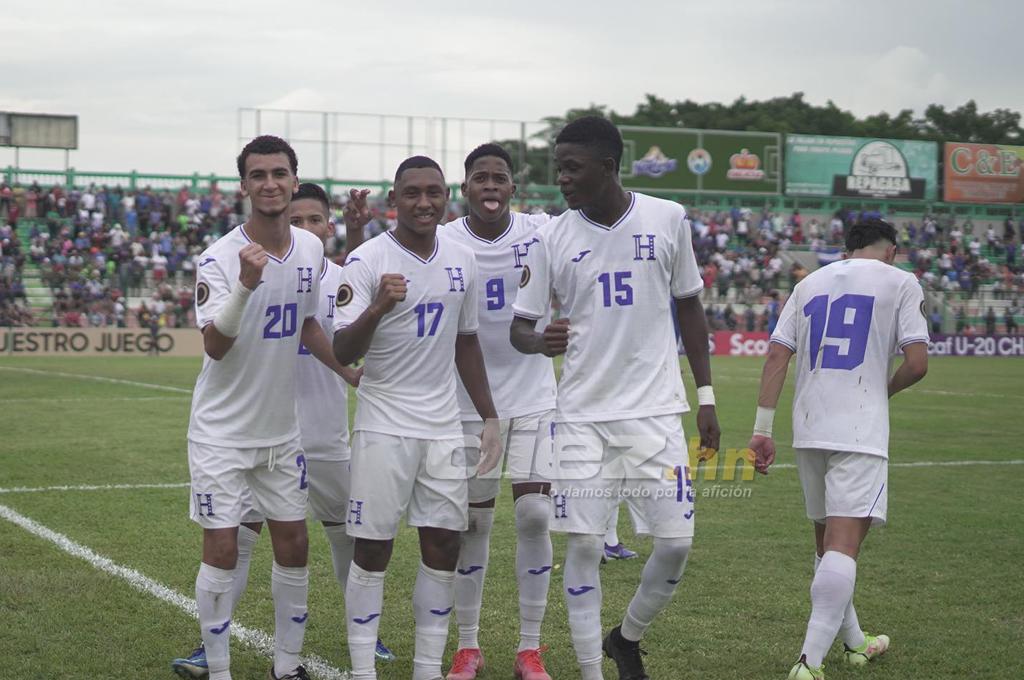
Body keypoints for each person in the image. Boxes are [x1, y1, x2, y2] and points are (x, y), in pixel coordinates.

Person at [511, 116, 721, 680]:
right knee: (582, 546)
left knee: (675, 545)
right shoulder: (550, 236)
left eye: (572, 167)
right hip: (579, 418)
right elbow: (520, 329)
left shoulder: (668, 219)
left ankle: (625, 637)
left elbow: (690, 307)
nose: (563, 179)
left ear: (608, 166)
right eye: (559, 167)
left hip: (655, 414)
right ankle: (590, 672)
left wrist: (706, 395)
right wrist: (539, 340)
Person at [172, 183, 397, 679]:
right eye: (260, 174)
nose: (305, 228)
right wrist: (247, 285)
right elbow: (215, 345)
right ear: (246, 185)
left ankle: (307, 656)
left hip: (300, 434)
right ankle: (214, 656)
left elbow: (314, 320)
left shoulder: (315, 258)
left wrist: (346, 369)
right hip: (232, 431)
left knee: (316, 541)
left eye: (315, 219)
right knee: (232, 544)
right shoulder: (222, 257)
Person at [332, 156, 503, 680]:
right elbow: (343, 349)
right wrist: (377, 308)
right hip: (384, 422)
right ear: (394, 199)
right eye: (412, 193)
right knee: (373, 546)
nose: (424, 202)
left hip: (443, 424)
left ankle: (428, 669)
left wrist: (490, 418)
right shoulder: (366, 261)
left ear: (446, 196)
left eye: (433, 192)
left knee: (444, 542)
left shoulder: (462, 258)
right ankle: (364, 669)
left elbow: (466, 342)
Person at [747, 218, 929, 680]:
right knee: (844, 548)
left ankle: (856, 642)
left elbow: (776, 354)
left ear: (847, 248)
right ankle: (808, 663)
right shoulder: (902, 281)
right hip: (859, 429)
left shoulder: (809, 282)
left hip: (808, 427)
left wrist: (761, 429)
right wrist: (881, 392)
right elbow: (918, 363)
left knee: (827, 545)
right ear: (889, 251)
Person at [438, 144, 558, 680]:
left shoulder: (543, 231)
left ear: (513, 188)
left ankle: (530, 648)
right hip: (467, 401)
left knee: (535, 514)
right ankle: (468, 646)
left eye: (500, 178)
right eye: (480, 178)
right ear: (466, 188)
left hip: (533, 395)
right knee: (472, 523)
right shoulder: (442, 240)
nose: (490, 186)